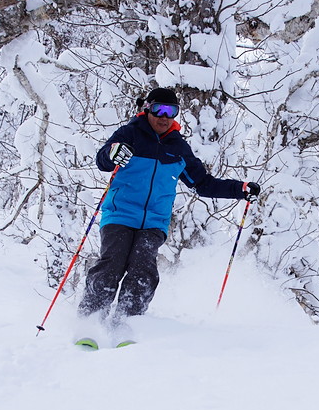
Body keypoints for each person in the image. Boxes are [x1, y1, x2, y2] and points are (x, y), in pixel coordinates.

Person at [78, 87, 260, 331]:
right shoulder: (130, 134)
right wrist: (113, 153)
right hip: (120, 214)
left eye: (170, 111)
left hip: (154, 221)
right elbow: (103, 160)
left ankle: (127, 322)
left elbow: (203, 184)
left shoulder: (178, 148)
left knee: (143, 268)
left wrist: (240, 189)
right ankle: (91, 321)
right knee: (112, 263)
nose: (163, 117)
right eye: (158, 110)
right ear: (147, 108)